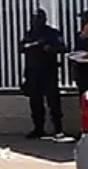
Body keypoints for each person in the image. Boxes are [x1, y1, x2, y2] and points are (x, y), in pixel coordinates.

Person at [19, 9, 67, 140]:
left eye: (38, 18)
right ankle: (38, 129)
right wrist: (34, 45)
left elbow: (62, 48)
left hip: (48, 72)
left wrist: (49, 48)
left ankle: (58, 129)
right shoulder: (30, 33)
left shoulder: (52, 33)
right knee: (35, 102)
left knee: (53, 102)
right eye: (33, 18)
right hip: (33, 73)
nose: (35, 21)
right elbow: (21, 48)